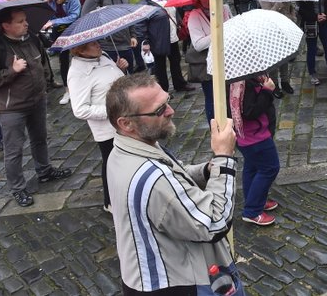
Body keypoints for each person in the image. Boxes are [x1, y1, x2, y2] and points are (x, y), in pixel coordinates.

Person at [105, 73, 244, 295]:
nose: (171, 111)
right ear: (126, 123)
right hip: (176, 283)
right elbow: (214, 222)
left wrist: (207, 171)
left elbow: (175, 176)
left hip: (141, 275)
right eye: (159, 110)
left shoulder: (123, 149)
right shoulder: (153, 178)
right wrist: (224, 158)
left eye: (167, 101)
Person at [0, 7, 72, 207]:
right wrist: (12, 71)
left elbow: (42, 62)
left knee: (40, 139)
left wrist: (44, 83)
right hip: (12, 108)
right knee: (14, 150)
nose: (26, 24)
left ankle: (44, 171)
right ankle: (18, 188)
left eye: (25, 20)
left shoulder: (31, 38)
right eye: (20, 21)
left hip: (37, 100)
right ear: (6, 26)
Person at [66, 40, 128, 211]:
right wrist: (113, 111)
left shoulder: (103, 56)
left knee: (126, 162)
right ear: (81, 50)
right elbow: (80, 110)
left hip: (124, 121)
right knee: (112, 163)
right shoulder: (77, 73)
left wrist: (120, 68)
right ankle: (111, 202)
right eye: (93, 44)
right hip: (108, 128)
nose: (98, 45)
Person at [229, 72, 281, 226]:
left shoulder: (242, 79)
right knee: (270, 168)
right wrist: (266, 90)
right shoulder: (244, 83)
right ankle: (252, 211)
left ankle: (255, 200)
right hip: (255, 136)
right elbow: (251, 111)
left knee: (252, 167)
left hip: (248, 136)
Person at [135, 0, 195, 94]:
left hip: (172, 35)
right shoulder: (144, 4)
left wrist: (171, 0)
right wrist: (145, 41)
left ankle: (179, 83)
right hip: (157, 39)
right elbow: (140, 25)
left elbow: (176, 11)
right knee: (160, 66)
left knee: (175, 60)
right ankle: (163, 89)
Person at [80, 0, 137, 71]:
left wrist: (133, 35)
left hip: (126, 45)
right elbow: (85, 22)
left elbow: (130, 16)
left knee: (129, 81)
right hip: (107, 47)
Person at [41, 0, 81, 105]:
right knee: (63, 61)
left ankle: (79, 89)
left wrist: (54, 22)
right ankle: (67, 90)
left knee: (78, 59)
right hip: (58, 33)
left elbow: (74, 16)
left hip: (72, 31)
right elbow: (49, 15)